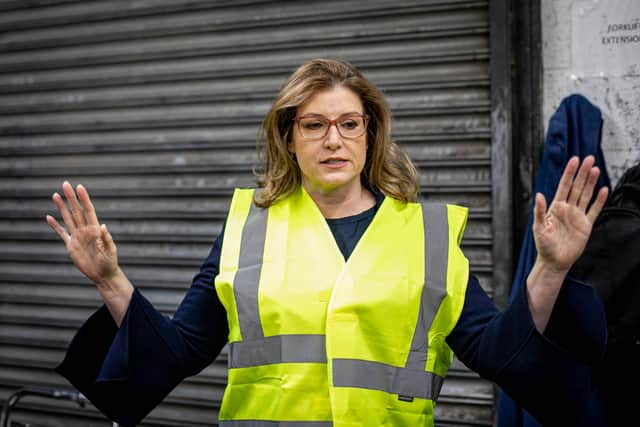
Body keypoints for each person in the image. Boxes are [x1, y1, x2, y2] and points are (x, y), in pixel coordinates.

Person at [48, 58, 609, 427]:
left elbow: (495, 351)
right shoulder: (248, 226)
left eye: (349, 124)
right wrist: (110, 280)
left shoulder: (428, 233)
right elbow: (178, 354)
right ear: (290, 138)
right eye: (314, 125)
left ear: (371, 134)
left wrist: (550, 269)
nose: (333, 140)